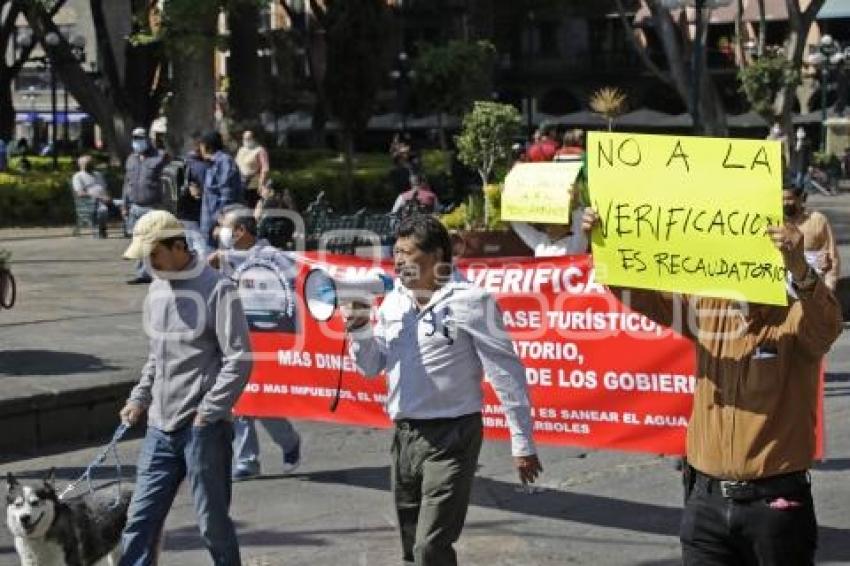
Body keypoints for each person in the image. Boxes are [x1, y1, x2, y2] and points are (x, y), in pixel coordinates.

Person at [581, 185, 843, 565]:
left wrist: (800, 268)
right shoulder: (708, 307)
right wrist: (605, 246)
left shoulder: (796, 316)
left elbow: (828, 325)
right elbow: (642, 297)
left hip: (777, 506)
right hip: (705, 503)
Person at [342, 215, 542, 566]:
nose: (399, 260)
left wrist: (522, 441)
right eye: (396, 252)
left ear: (436, 255)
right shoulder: (393, 303)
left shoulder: (472, 300)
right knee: (411, 547)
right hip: (405, 436)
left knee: (430, 548)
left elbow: (505, 371)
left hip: (453, 435)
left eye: (407, 252)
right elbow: (372, 366)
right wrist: (359, 329)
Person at [118, 210, 252, 566]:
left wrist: (210, 411)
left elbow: (239, 358)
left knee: (212, 524)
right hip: (159, 427)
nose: (149, 264)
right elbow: (156, 354)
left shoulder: (218, 289)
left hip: (202, 428)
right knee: (139, 521)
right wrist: (139, 397)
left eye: (154, 255)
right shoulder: (157, 287)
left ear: (178, 246)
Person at [207, 205, 302, 480]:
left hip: (267, 338)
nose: (218, 232)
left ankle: (289, 441)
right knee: (239, 398)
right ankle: (247, 460)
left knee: (262, 399)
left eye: (224, 226)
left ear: (240, 231)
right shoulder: (221, 258)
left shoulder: (272, 256)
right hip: (234, 337)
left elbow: (299, 276)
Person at [122, 127, 168, 284]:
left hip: (153, 206)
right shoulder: (131, 159)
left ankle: (155, 270)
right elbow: (126, 183)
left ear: (147, 139)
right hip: (135, 206)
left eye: (140, 138)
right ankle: (143, 273)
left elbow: (168, 182)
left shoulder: (160, 157)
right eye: (135, 138)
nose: (137, 141)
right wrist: (124, 204)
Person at [784, 182, 840, 289]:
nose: (785, 203)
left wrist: (829, 285)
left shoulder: (817, 220)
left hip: (813, 288)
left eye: (789, 198)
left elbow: (832, 255)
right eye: (781, 199)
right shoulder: (776, 222)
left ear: (800, 199)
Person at [511, 183, 586, 257]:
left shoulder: (576, 242)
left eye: (553, 224)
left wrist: (575, 198)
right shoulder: (541, 242)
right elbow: (519, 226)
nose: (548, 228)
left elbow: (578, 216)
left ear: (565, 225)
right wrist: (508, 197)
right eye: (547, 225)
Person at [199, 130, 243, 252]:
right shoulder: (211, 164)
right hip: (209, 230)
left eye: (201, 145)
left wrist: (221, 225)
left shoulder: (224, 162)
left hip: (219, 230)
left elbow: (227, 197)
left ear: (206, 146)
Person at [177, 132, 211, 255]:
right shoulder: (201, 166)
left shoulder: (183, 162)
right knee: (201, 247)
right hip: (195, 213)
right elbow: (205, 191)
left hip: (181, 212)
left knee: (189, 246)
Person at [72, 155, 113, 239]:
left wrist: (107, 196)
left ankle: (130, 230)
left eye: (92, 163)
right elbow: (80, 193)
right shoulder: (78, 176)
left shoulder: (98, 174)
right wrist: (99, 197)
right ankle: (101, 229)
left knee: (124, 203)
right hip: (90, 202)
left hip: (105, 200)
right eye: (88, 163)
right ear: (81, 165)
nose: (91, 165)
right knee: (103, 210)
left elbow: (105, 188)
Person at [234, 130, 270, 209]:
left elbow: (265, 169)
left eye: (248, 138)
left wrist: (261, 183)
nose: (246, 140)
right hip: (241, 184)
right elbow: (236, 164)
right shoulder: (241, 150)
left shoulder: (260, 150)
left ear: (253, 138)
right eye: (244, 138)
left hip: (254, 184)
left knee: (253, 206)